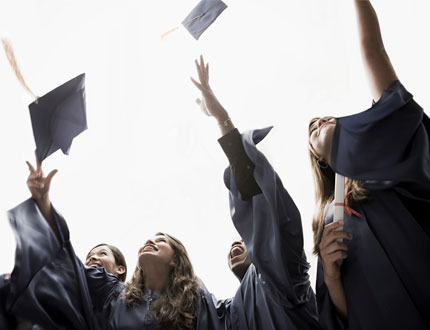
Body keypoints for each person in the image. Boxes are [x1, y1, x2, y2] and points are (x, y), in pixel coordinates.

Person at [309, 1, 430, 329]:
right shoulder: (327, 220)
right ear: (319, 159)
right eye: (311, 130)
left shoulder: (386, 152)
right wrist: (332, 277)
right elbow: (347, 316)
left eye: (327, 118)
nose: (319, 121)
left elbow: (373, 50)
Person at [191, 55, 320, 330]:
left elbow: (254, 195)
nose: (235, 245)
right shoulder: (230, 313)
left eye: (243, 241)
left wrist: (221, 119)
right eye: (235, 244)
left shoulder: (285, 276)